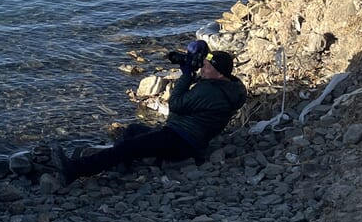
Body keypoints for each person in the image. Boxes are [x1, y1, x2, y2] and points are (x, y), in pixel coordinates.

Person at [54, 42, 247, 182]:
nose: (203, 68)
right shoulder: (231, 88)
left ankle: (75, 170)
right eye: (203, 64)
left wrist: (187, 76)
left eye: (207, 67)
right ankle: (121, 164)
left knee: (127, 146)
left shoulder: (209, 90)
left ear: (220, 73)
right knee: (132, 130)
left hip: (181, 141)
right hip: (186, 136)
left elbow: (176, 104)